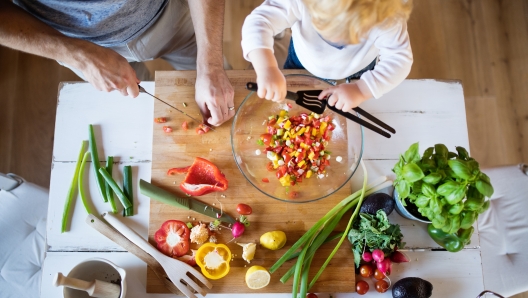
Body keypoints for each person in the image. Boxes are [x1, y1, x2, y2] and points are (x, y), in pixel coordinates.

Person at [0, 0, 235, 126]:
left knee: (221, 96)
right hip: (77, 44)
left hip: (168, 16)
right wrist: (78, 55)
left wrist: (211, 66)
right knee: (140, 119)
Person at [241, 0, 413, 112]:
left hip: (358, 70)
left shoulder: (387, 16)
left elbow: (399, 59)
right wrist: (267, 68)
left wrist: (362, 90)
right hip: (302, 62)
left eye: (354, 36)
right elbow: (259, 21)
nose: (338, 42)